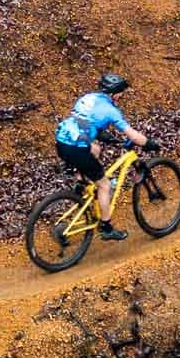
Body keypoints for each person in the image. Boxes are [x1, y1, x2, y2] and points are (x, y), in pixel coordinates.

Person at [54, 74, 151, 241]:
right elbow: (134, 136)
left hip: (62, 141)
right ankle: (106, 228)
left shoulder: (88, 98)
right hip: (77, 148)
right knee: (105, 185)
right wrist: (149, 143)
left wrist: (100, 134)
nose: (121, 97)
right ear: (114, 94)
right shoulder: (112, 111)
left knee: (95, 149)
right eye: (120, 93)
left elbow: (81, 121)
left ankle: (81, 186)